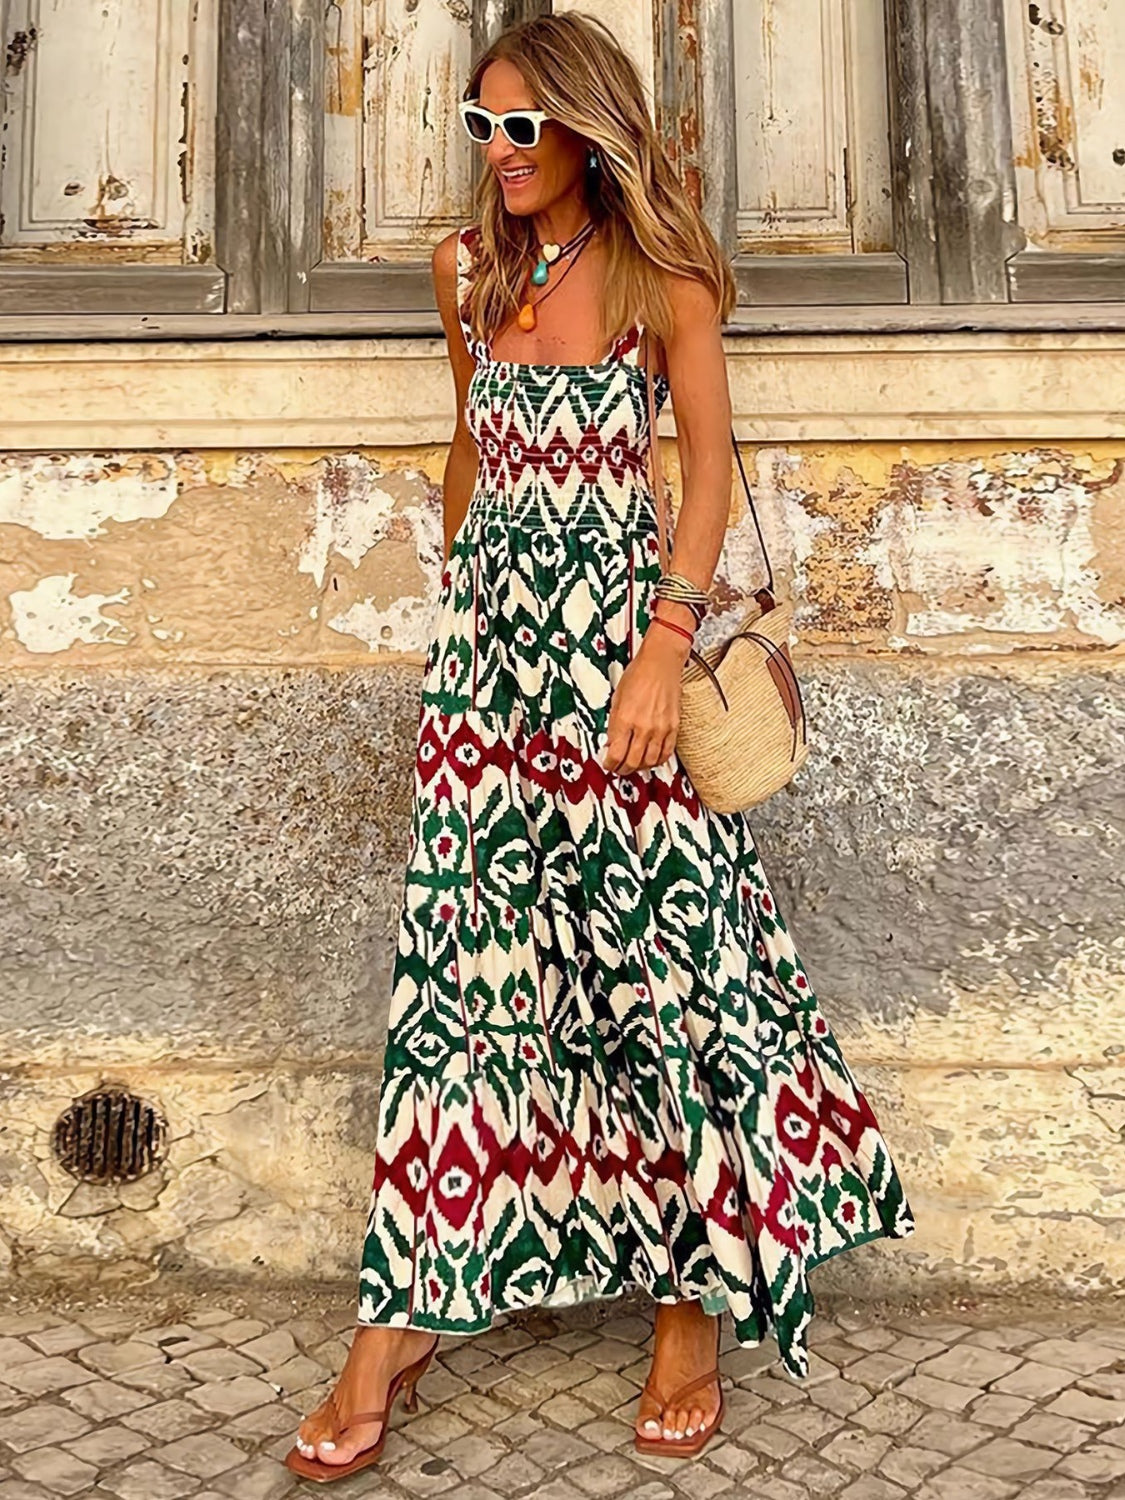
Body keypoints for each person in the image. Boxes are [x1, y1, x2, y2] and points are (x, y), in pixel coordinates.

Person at [287, 9, 915, 1482]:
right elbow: (470, 445)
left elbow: (708, 474)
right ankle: (398, 1319)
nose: (501, 151)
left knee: (665, 965)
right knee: (466, 979)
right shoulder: (463, 270)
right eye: (481, 125)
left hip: (621, 653)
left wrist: (659, 648)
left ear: (583, 127)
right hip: (490, 672)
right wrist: (465, 628)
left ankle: (693, 1302)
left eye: (524, 125)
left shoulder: (659, 275)